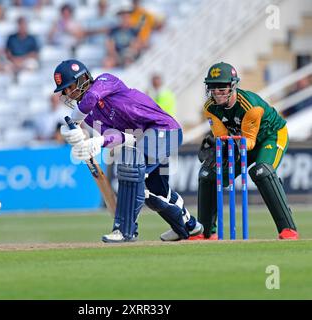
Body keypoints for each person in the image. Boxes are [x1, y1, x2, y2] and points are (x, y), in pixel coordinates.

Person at [54, 59, 203, 243]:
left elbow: (90, 99)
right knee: (156, 192)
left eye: (70, 87)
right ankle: (188, 226)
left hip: (164, 129)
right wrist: (97, 141)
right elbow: (120, 137)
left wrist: (75, 121)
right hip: (144, 138)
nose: (68, 93)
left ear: (83, 78)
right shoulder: (91, 117)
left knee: (130, 168)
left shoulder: (105, 81)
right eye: (65, 90)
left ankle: (124, 230)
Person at [192, 62, 299, 240]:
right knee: (207, 174)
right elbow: (223, 137)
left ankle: (288, 229)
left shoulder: (250, 106)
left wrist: (229, 145)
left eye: (222, 88)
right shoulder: (210, 108)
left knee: (262, 171)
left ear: (233, 86)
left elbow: (248, 143)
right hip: (242, 141)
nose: (217, 93)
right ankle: (206, 231)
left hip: (270, 136)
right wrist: (219, 147)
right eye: (213, 87)